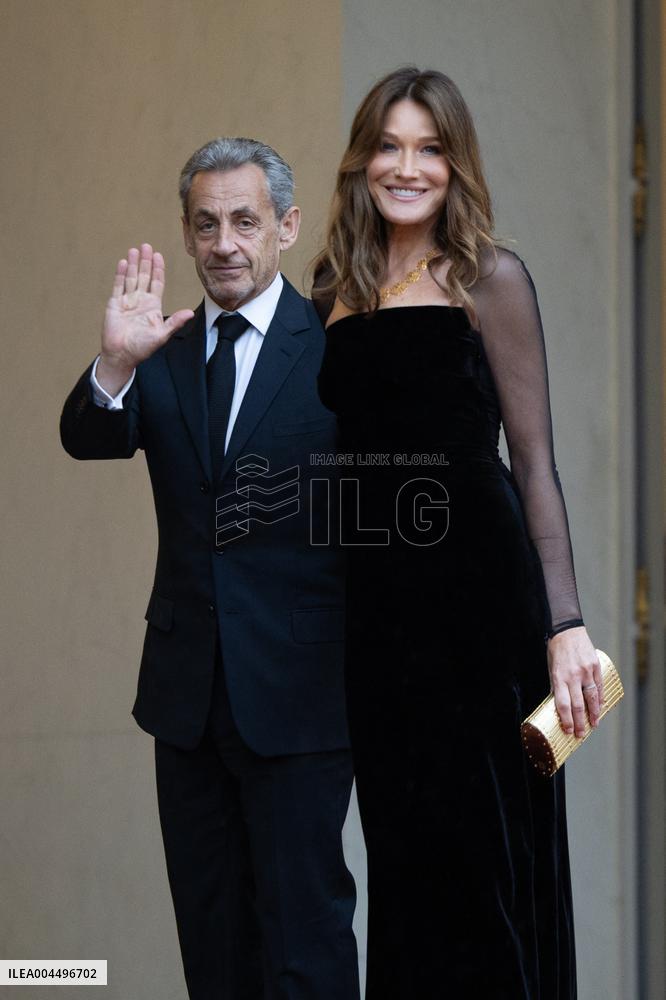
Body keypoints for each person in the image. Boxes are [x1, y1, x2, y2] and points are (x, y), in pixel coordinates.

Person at [314, 67, 602, 999]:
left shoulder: (491, 277)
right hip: (378, 630)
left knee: (489, 867)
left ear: (456, 164)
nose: (408, 166)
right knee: (406, 869)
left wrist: (566, 627)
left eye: (430, 148)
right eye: (390, 146)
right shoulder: (331, 291)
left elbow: (535, 462)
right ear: (362, 162)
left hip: (484, 620)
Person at [60, 137, 359, 1000]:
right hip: (185, 701)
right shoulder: (162, 350)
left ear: (285, 227)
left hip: (301, 702)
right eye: (205, 225)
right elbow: (89, 438)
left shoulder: (335, 346)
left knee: (305, 945)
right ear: (186, 238)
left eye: (243, 221)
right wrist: (116, 362)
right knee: (213, 944)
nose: (224, 242)